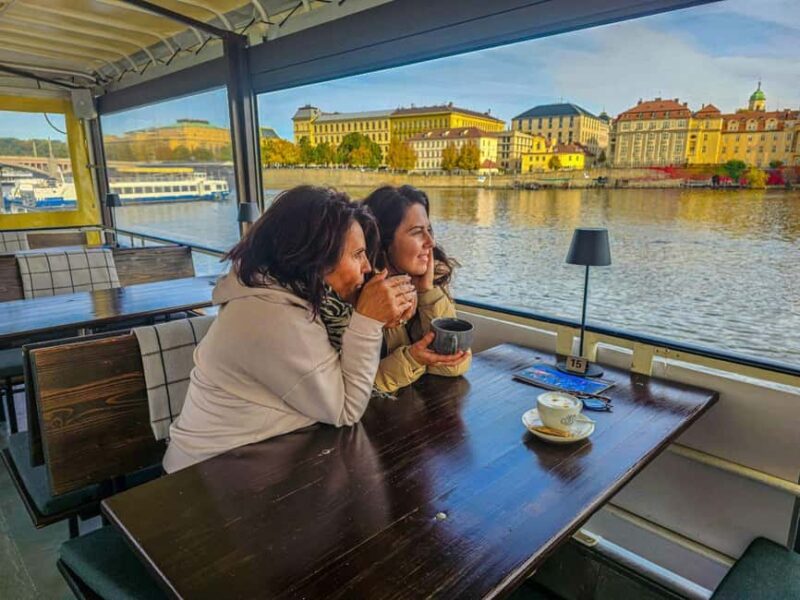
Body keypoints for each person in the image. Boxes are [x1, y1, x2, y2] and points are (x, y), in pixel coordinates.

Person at [163, 186, 416, 473]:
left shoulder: (289, 295)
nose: (368, 266)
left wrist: (378, 314)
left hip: (265, 458)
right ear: (314, 256)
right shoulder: (268, 316)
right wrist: (368, 321)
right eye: (358, 254)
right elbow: (346, 409)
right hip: (203, 478)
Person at [362, 185, 471, 394]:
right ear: (384, 241)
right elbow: (359, 386)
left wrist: (427, 293)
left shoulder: (429, 280)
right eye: (417, 232)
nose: (430, 242)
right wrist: (412, 358)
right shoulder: (364, 294)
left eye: (429, 230)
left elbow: (454, 366)